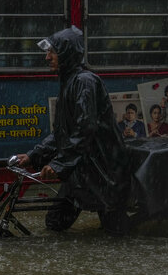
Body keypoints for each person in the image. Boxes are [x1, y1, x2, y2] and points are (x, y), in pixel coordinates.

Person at [16, 26, 130, 235]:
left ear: (66, 54)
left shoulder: (84, 82)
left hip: (102, 171)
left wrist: (59, 163)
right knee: (55, 222)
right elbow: (62, 132)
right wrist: (34, 155)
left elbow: (85, 129)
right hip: (81, 168)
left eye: (52, 52)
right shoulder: (69, 81)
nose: (47, 57)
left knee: (116, 233)